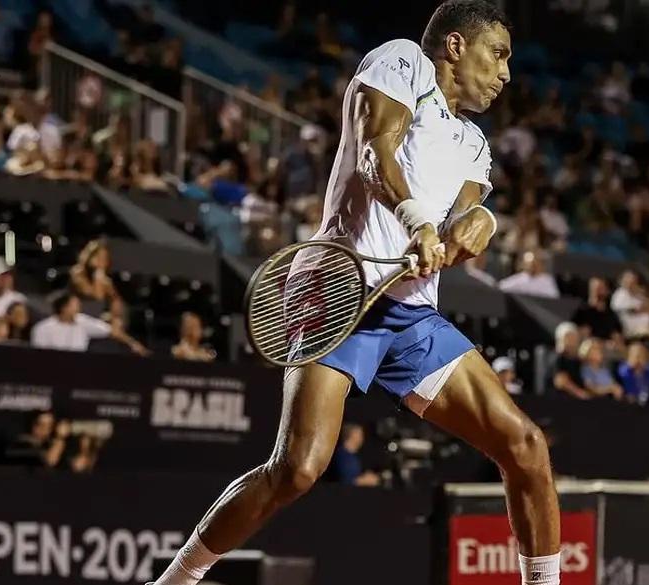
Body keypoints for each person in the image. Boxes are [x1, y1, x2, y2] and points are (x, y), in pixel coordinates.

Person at [149, 5, 562, 585]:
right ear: (453, 45)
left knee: (524, 446)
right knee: (296, 469)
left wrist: (481, 225)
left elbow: (467, 217)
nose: (506, 74)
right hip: (339, 289)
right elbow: (376, 151)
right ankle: (174, 581)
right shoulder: (403, 64)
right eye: (498, 54)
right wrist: (418, 221)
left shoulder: (473, 142)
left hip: (412, 314)